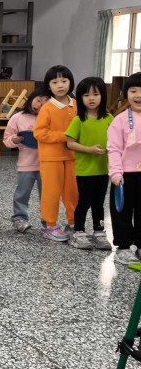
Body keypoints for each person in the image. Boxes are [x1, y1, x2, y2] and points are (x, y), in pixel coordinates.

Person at [66, 76, 114, 250]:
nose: (91, 98)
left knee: (99, 204)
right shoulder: (79, 120)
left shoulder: (109, 118)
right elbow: (70, 143)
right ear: (80, 98)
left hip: (103, 170)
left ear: (103, 96)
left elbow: (116, 140)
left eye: (96, 94)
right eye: (86, 95)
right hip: (84, 171)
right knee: (84, 201)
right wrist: (89, 150)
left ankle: (99, 231)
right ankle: (78, 231)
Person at [34, 65, 78, 242]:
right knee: (51, 192)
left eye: (64, 81)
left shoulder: (76, 105)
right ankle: (50, 224)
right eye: (55, 82)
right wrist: (65, 136)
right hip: (51, 157)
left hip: (73, 156)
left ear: (70, 83)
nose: (60, 85)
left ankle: (74, 222)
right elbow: (39, 133)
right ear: (48, 86)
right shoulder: (47, 108)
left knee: (73, 192)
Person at [3, 88, 48, 233]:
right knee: (22, 193)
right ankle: (19, 218)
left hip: (47, 164)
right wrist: (14, 140)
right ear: (32, 98)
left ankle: (48, 220)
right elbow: (6, 139)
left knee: (47, 195)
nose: (39, 105)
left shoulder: (50, 118)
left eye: (45, 104)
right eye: (38, 100)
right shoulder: (17, 118)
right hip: (26, 164)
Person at [109, 72, 141, 264]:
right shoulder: (120, 120)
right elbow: (113, 149)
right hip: (124, 175)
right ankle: (123, 246)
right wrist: (115, 172)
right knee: (122, 212)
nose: (138, 95)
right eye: (133, 91)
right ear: (126, 94)